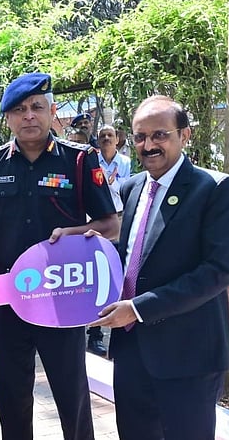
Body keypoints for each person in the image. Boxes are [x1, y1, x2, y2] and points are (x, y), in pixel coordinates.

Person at [0, 72, 119, 440]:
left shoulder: (79, 161)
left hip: (62, 297)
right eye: (19, 110)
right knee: (12, 396)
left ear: (52, 111)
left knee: (71, 393)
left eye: (36, 107)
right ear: (8, 119)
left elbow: (110, 224)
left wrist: (73, 233)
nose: (28, 115)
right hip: (8, 297)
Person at [88, 96, 229, 440]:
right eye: (140, 137)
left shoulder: (217, 189)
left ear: (185, 135)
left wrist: (138, 308)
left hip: (188, 355)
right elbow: (134, 255)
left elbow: (217, 272)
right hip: (131, 352)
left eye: (159, 135)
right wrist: (90, 251)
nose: (148, 145)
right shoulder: (131, 188)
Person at [83, 124, 133, 357]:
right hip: (95, 223)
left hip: (119, 222)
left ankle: (114, 326)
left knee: (113, 275)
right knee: (94, 277)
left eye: (110, 136)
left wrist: (110, 183)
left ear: (117, 140)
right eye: (102, 136)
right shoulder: (91, 160)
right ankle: (93, 333)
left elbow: (124, 190)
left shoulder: (123, 162)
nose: (106, 139)